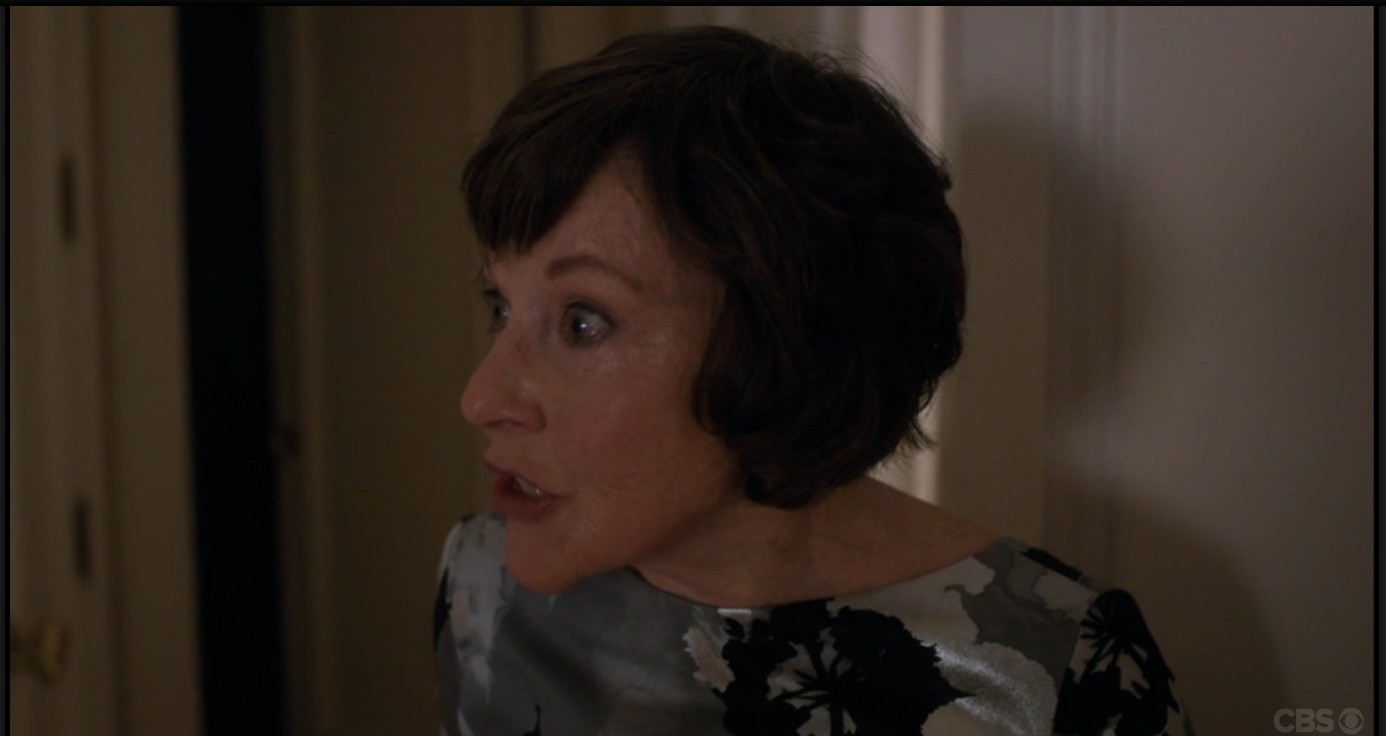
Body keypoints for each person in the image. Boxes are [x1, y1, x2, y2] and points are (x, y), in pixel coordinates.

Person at [434, 25, 1193, 736]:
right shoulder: (480, 588)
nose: (481, 398)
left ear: (787, 345)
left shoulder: (1056, 665)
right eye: (501, 306)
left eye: (582, 322)